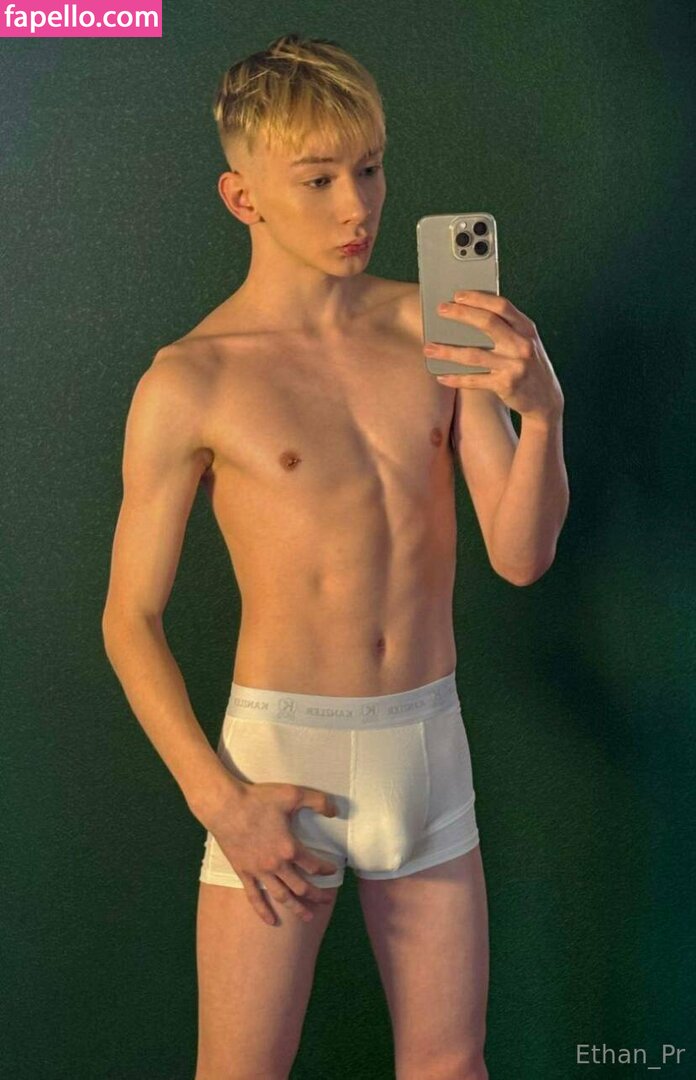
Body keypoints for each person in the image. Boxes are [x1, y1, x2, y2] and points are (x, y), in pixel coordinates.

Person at [102, 32, 568, 1080]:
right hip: (279, 759)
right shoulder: (191, 380)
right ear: (243, 197)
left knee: (452, 1067)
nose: (357, 206)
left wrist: (542, 413)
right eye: (317, 180)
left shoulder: (438, 328)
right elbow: (128, 619)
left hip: (428, 746)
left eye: (370, 169)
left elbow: (521, 555)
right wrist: (219, 800)